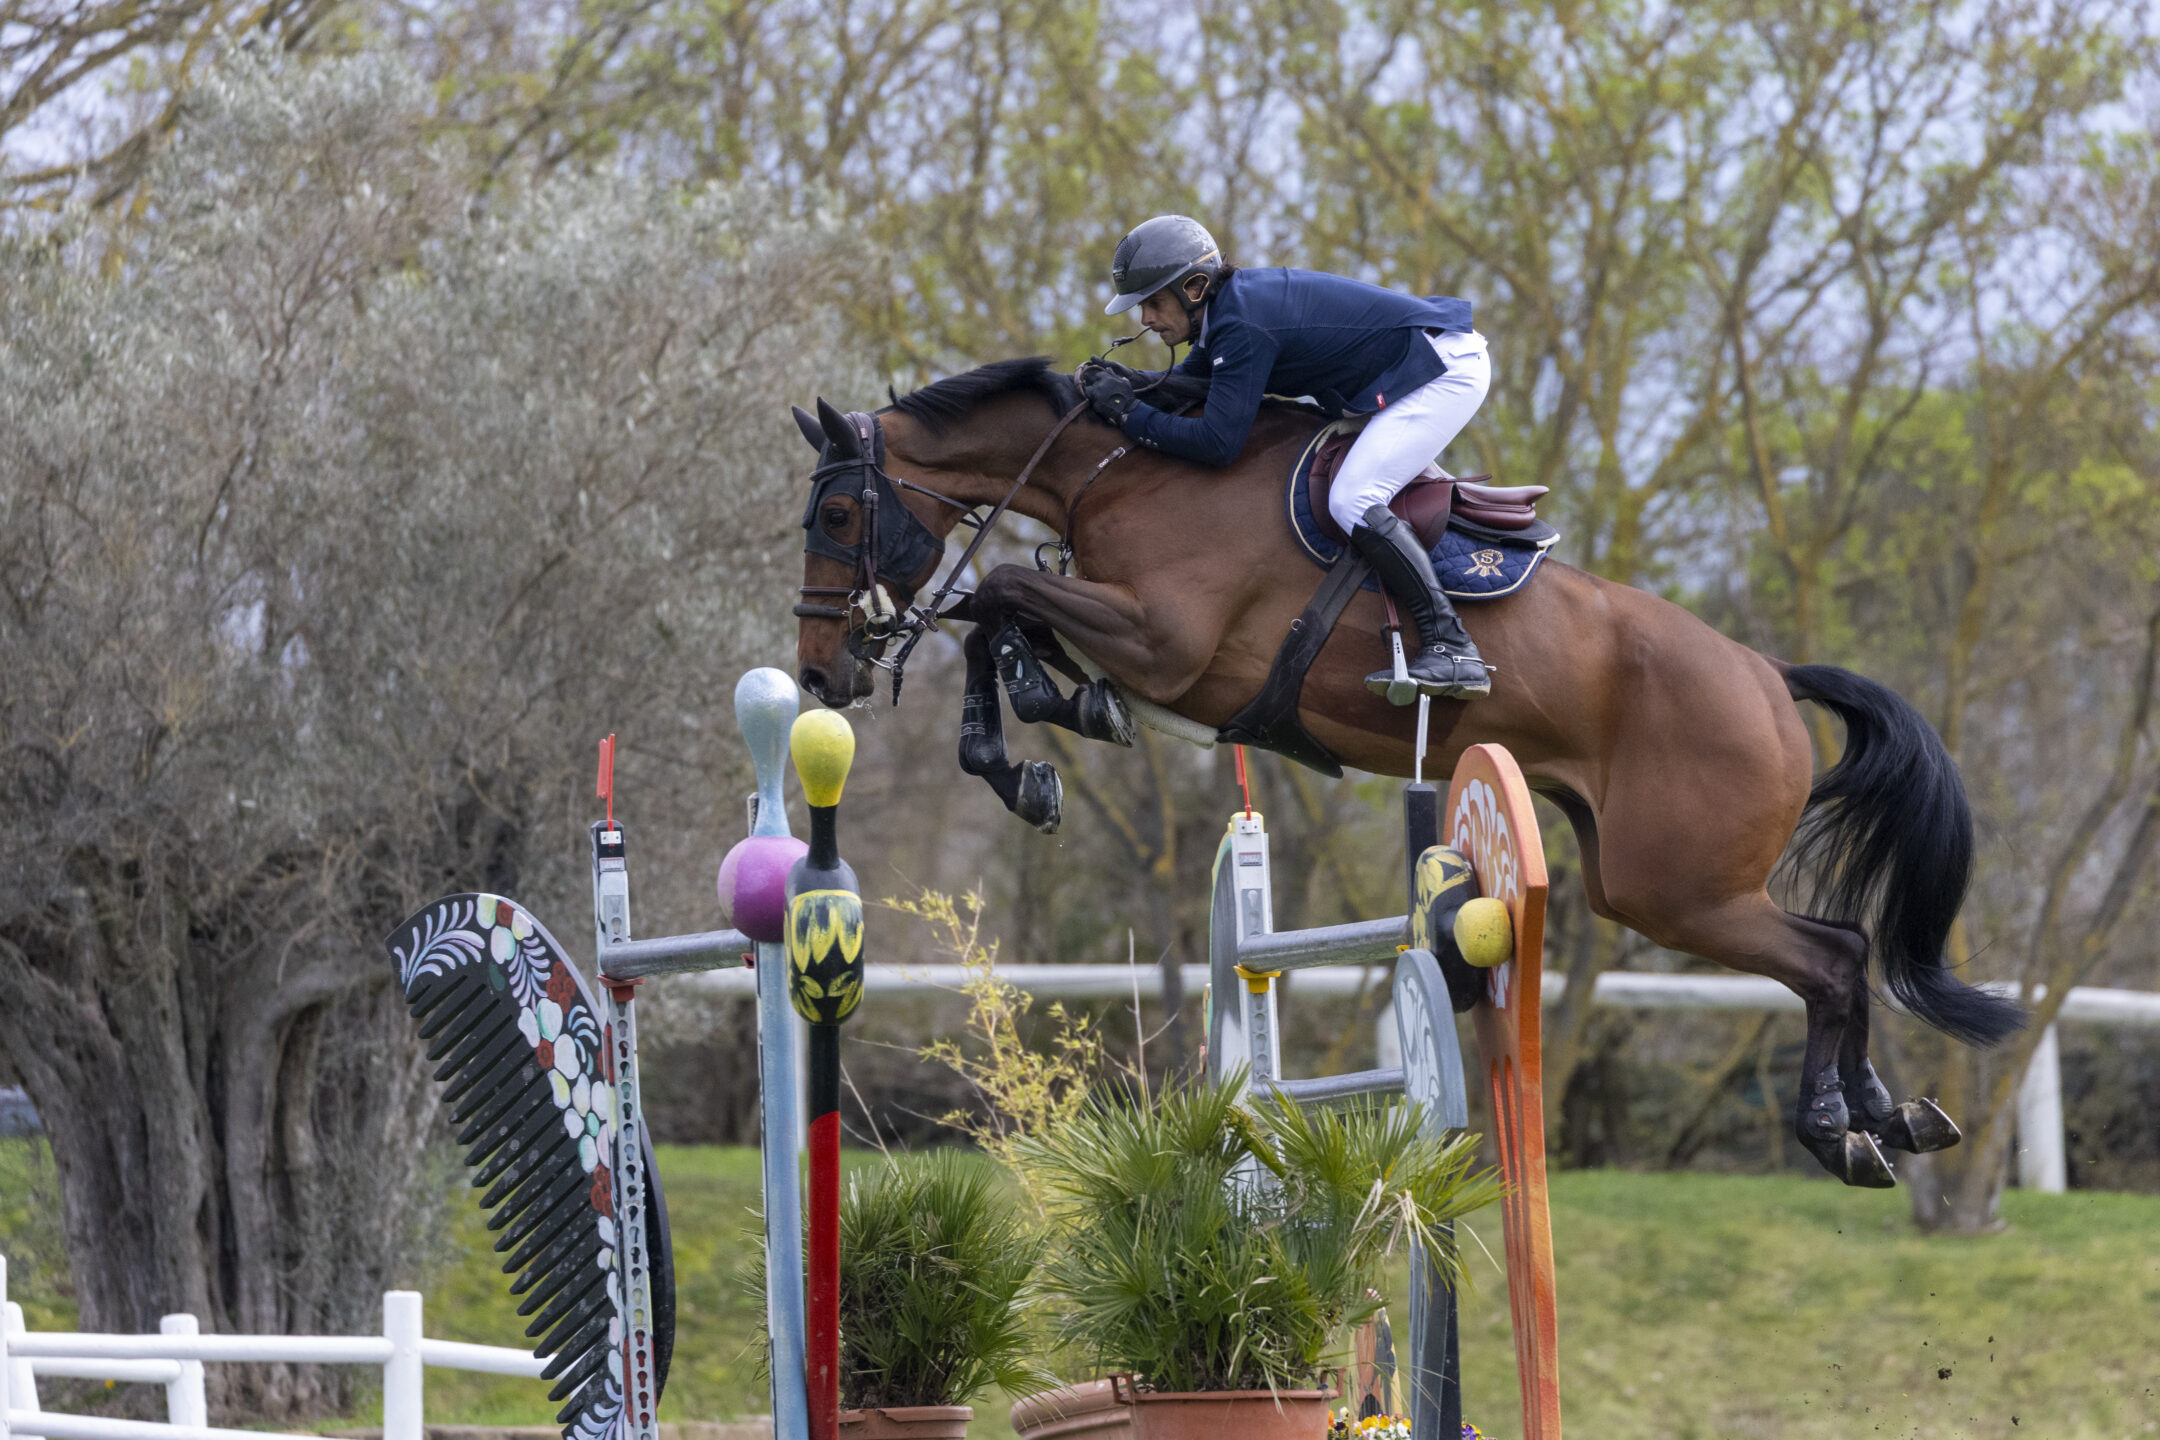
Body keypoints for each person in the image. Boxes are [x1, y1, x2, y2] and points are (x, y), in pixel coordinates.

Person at [1081, 215, 1492, 702]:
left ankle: (1453, 646)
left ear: (1194, 287)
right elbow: (1186, 389)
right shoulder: (1226, 315)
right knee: (1352, 495)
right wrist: (1122, 382)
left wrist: (1127, 412)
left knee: (1354, 498)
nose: (1145, 319)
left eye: (1152, 303)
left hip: (1444, 370)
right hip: (1415, 367)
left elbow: (1217, 442)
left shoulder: (1241, 325)